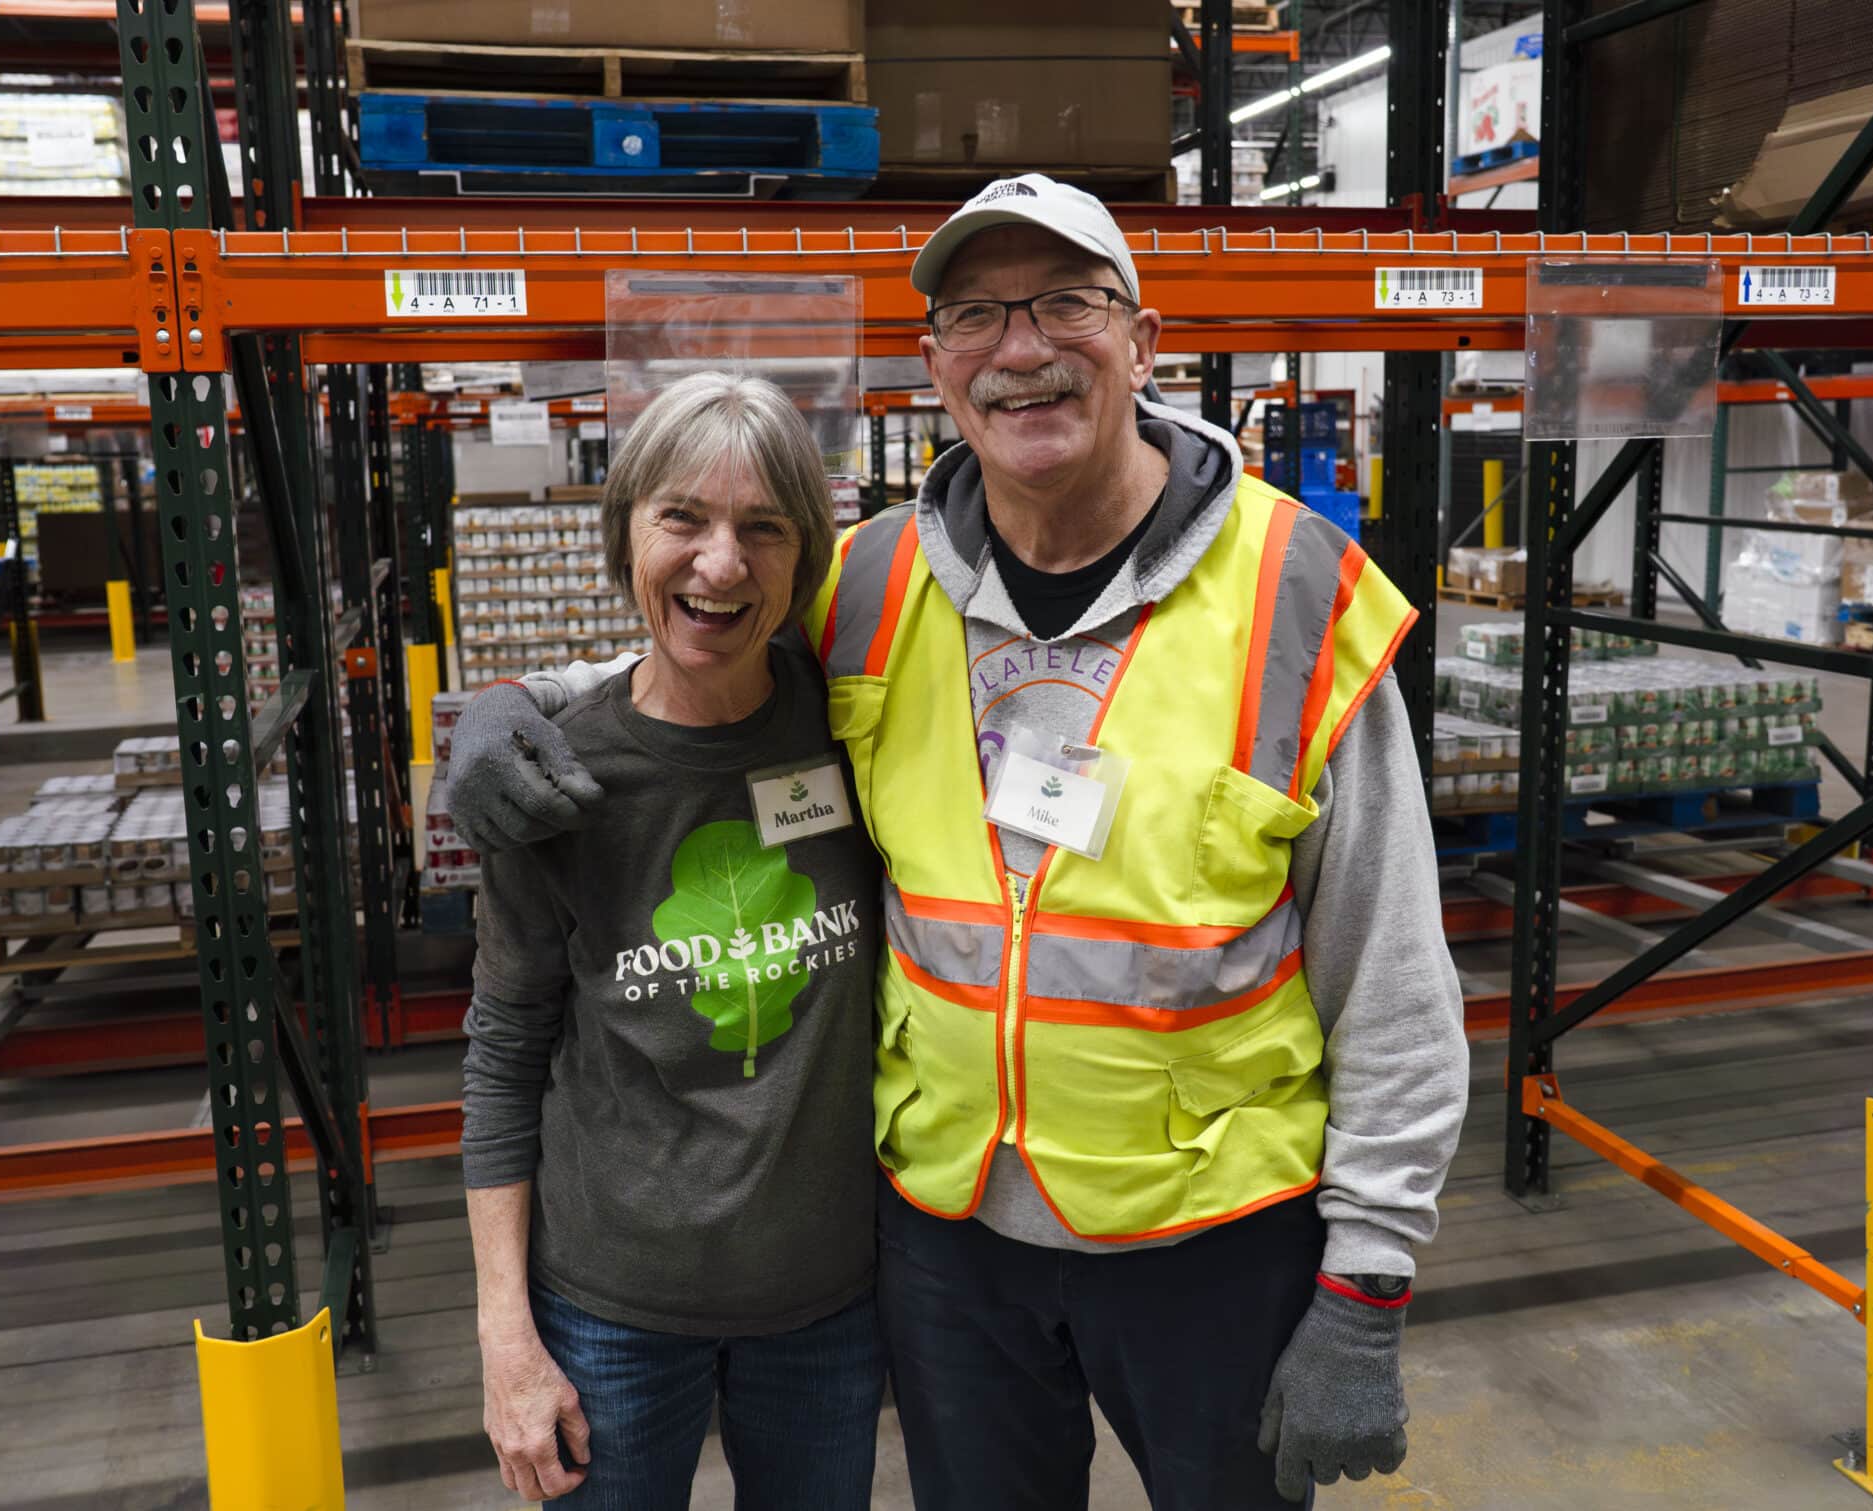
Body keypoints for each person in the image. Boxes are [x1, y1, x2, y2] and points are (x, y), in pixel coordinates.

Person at [450, 175, 1469, 1509]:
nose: (1023, 346)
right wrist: (516, 701)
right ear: (936, 366)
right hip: (952, 1239)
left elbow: (1394, 984)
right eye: (977, 314)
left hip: (1212, 1245)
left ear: (1143, 340)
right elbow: (703, 625)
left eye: (1068, 303)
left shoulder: (1294, 592)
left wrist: (1367, 1284)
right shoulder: (873, 579)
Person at [460, 370, 886, 1508]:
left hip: (829, 1308)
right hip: (609, 1316)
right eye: (682, 518)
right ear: (626, 533)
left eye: (763, 528)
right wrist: (508, 1341)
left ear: (804, 561)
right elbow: (503, 1057)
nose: (721, 563)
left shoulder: (861, 721)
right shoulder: (550, 782)